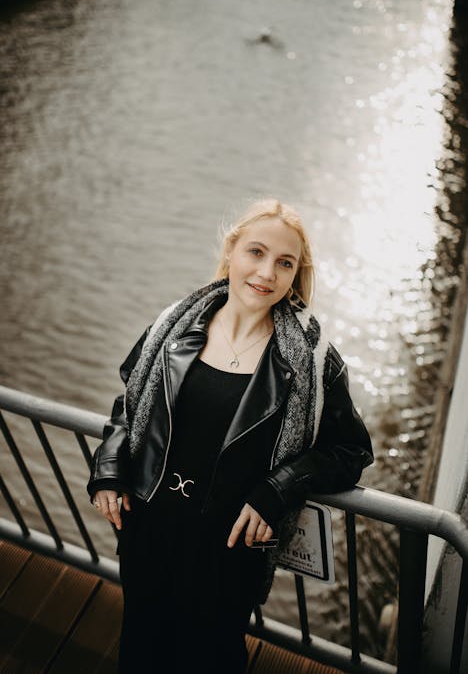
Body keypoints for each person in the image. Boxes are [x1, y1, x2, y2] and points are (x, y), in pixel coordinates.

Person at [87, 198, 373, 674]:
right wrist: (110, 469)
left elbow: (350, 449)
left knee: (212, 659)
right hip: (150, 532)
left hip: (228, 552)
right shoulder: (173, 325)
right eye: (255, 253)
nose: (266, 272)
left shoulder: (314, 358)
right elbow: (130, 406)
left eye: (284, 263)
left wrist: (276, 490)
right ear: (231, 251)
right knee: (140, 651)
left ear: (295, 275)